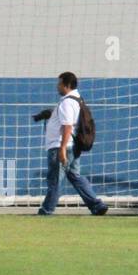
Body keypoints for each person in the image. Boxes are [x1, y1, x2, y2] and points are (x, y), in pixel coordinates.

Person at [35, 71, 108, 216]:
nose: (57, 86)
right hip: (71, 147)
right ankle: (97, 205)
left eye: (59, 83)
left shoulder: (67, 102)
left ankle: (47, 209)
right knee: (75, 176)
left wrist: (62, 148)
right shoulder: (76, 99)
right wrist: (50, 114)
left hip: (61, 146)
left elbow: (68, 126)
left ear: (66, 85)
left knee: (54, 179)